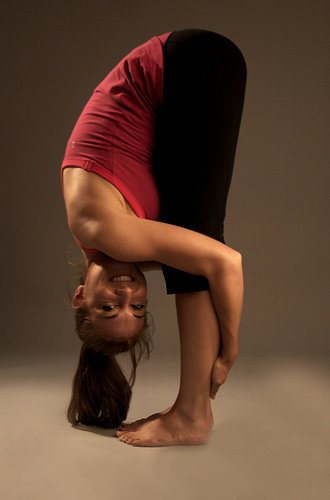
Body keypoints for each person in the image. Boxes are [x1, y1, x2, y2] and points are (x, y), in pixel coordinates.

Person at [60, 28, 247, 446]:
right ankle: (193, 407)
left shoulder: (108, 232)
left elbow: (226, 262)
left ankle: (192, 414)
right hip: (189, 66)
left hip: (187, 64)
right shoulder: (117, 248)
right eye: (139, 306)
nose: (126, 291)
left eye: (109, 305)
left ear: (79, 296)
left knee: (198, 248)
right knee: (190, 252)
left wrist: (229, 352)